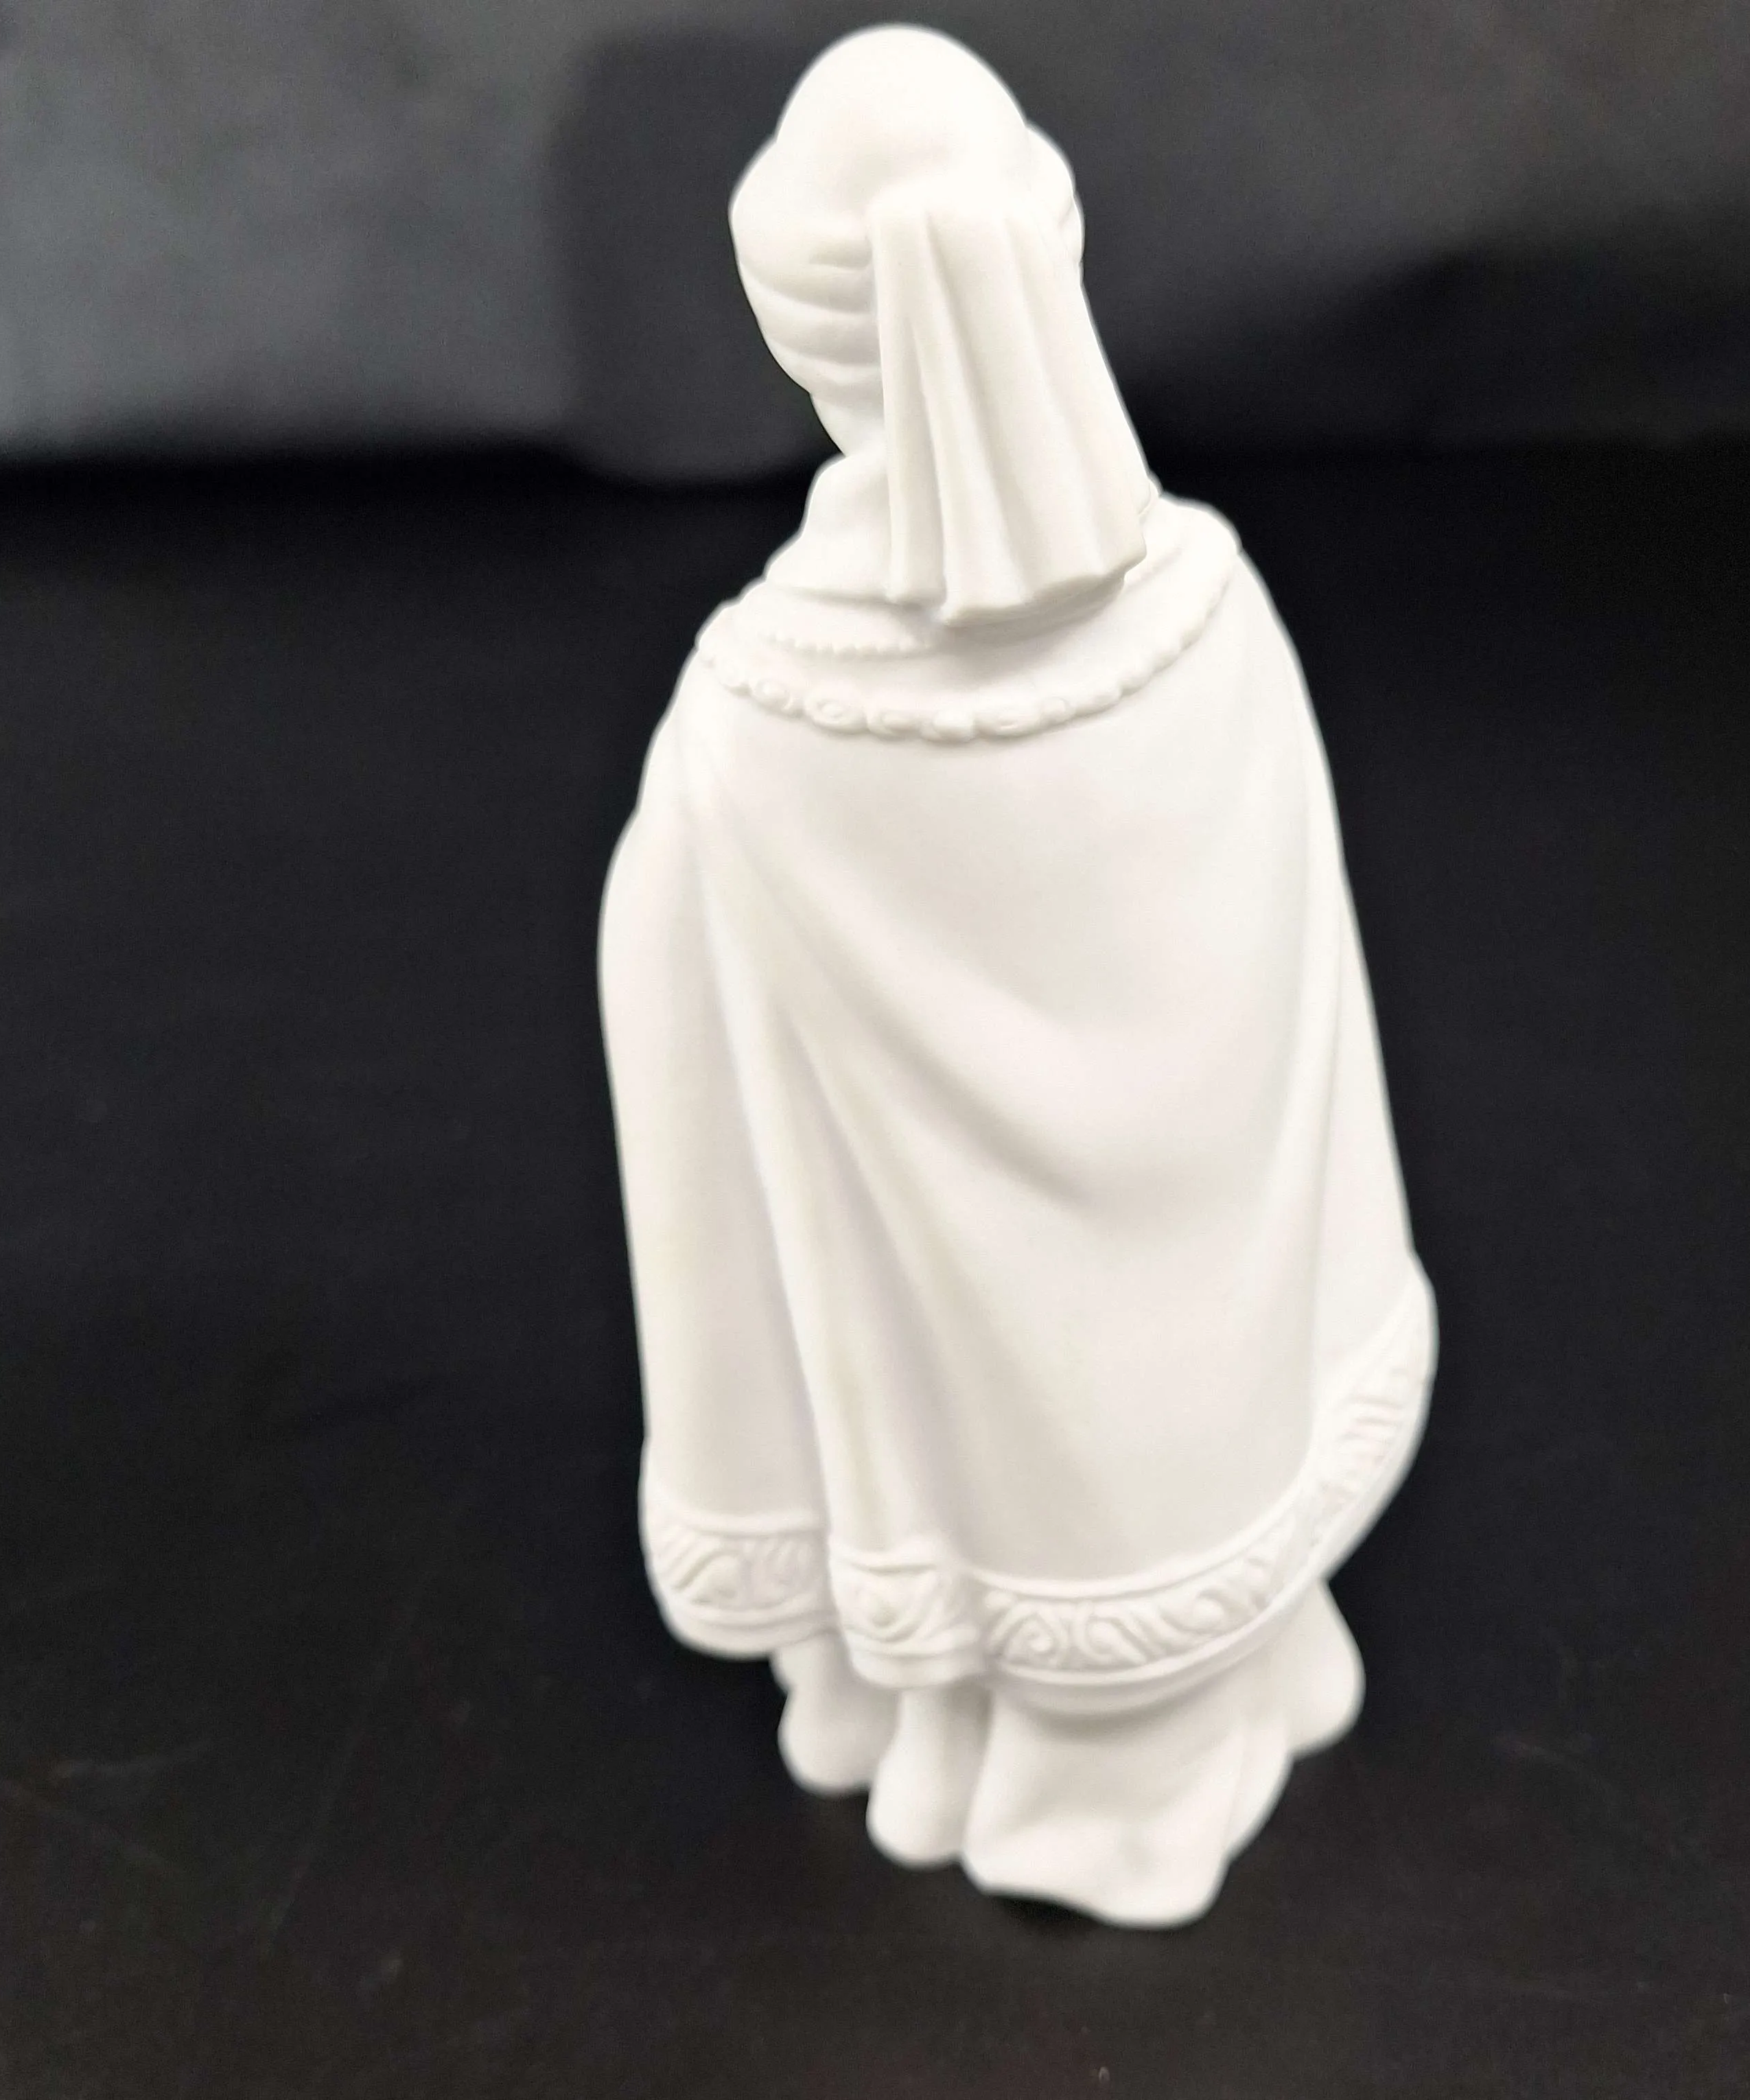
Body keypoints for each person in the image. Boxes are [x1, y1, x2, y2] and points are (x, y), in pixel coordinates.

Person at [598, 23, 1435, 1926]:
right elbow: (1290, 1002)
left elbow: (696, 1062)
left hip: (975, 1438)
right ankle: (1166, 1651)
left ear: (799, 331)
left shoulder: (766, 714)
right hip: (1212, 1388)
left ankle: (1062, 1738)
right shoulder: (1215, 607)